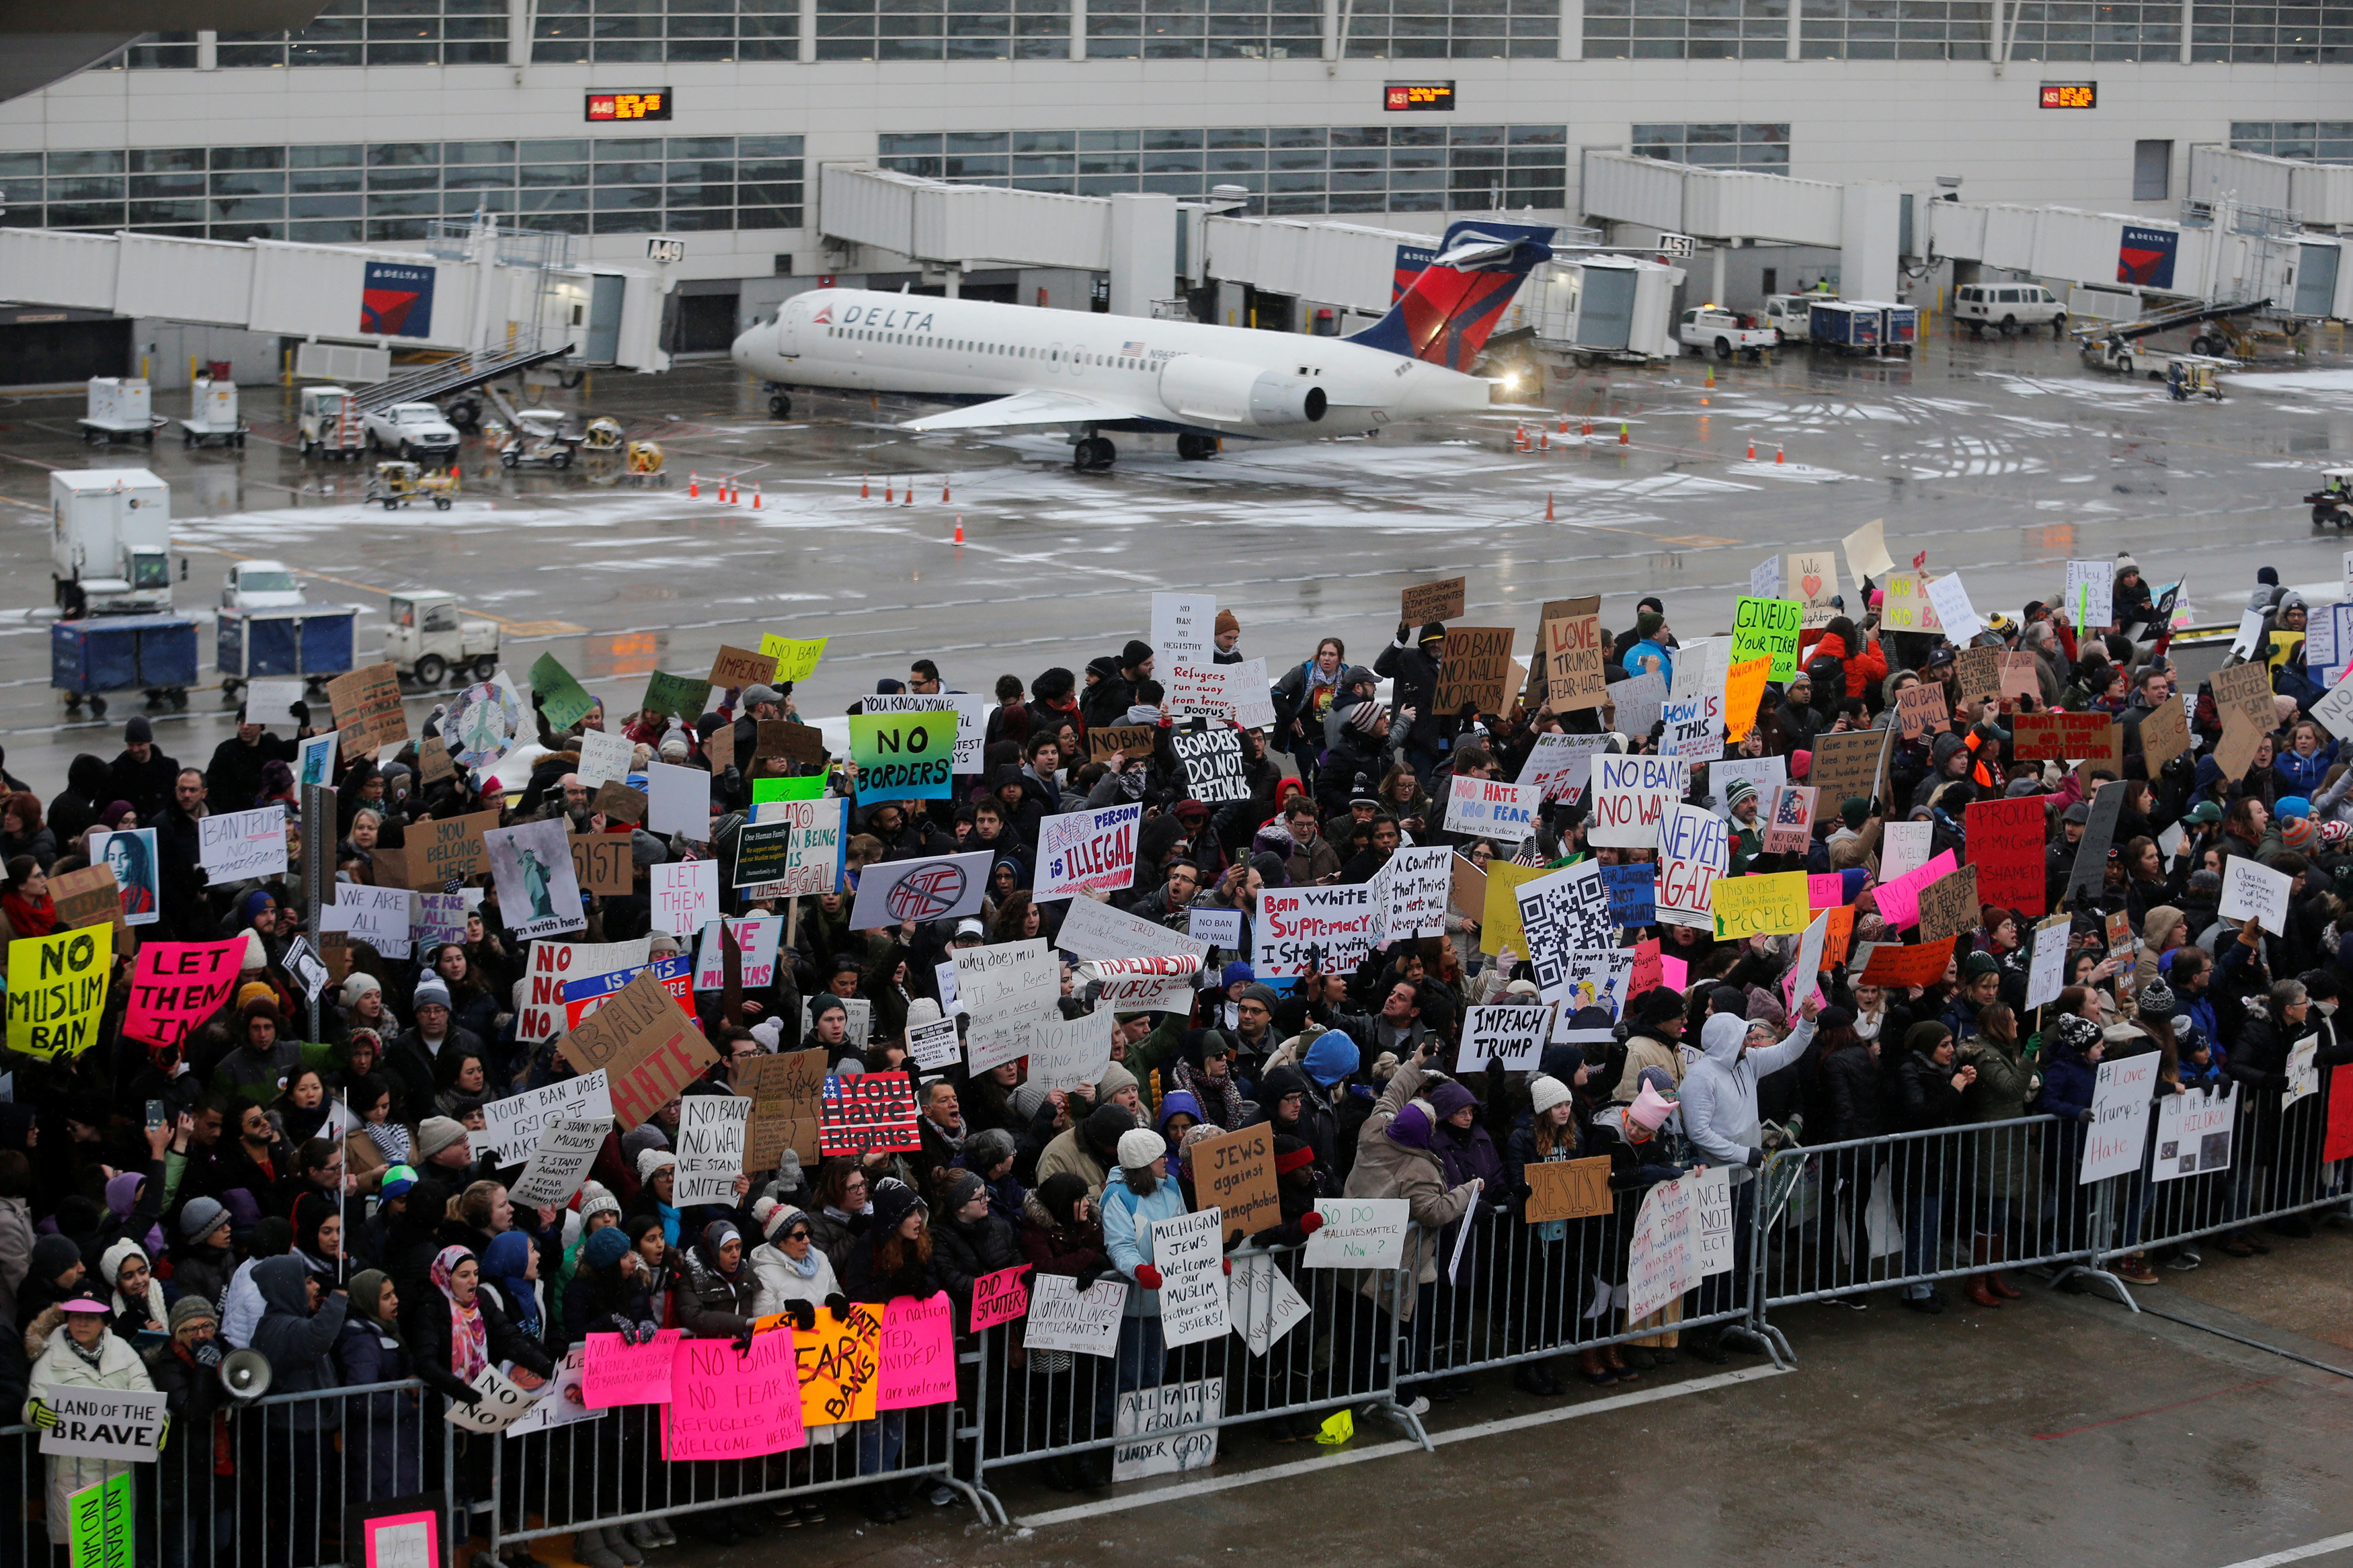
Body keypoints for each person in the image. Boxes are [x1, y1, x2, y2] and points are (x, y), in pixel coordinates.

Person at [25, 1296, 156, 1548]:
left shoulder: (123, 1351)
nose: (82, 1323)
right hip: (71, 1474)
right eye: (76, 1316)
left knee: (114, 1551)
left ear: (103, 1323)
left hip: (116, 1471)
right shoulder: (49, 1355)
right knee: (78, 1550)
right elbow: (36, 1398)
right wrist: (33, 1410)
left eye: (90, 1317)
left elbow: (144, 1394)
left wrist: (158, 1421)